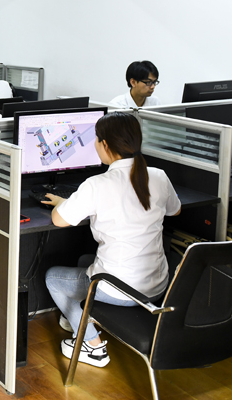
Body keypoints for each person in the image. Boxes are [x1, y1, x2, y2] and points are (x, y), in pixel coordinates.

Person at [41, 112, 181, 368]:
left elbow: (59, 220)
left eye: (96, 139)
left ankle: (92, 346)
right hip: (158, 285)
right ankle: (81, 318)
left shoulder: (97, 184)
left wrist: (64, 203)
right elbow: (175, 210)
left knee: (53, 278)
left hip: (120, 290)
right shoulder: (158, 176)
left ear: (105, 144)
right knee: (85, 260)